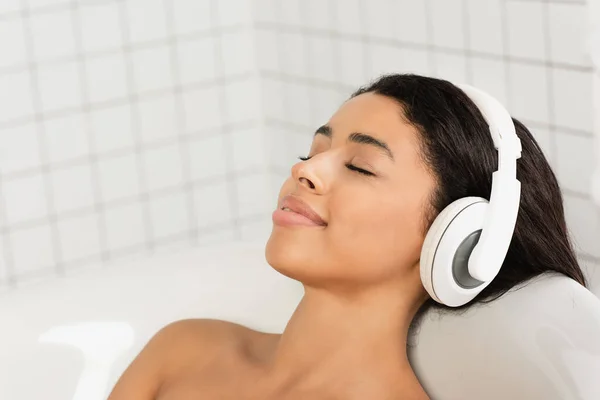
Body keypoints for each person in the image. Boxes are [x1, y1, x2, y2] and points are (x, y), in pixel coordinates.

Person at [107, 74, 587, 400]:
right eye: (312, 151)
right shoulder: (184, 349)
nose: (305, 170)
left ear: (458, 236)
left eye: (360, 166)